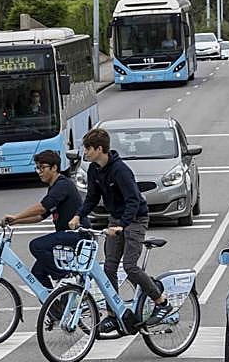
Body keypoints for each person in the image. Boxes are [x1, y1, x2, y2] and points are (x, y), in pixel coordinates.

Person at [71, 127, 172, 330]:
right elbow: (92, 197)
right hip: (116, 219)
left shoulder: (120, 170)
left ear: (99, 149)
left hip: (135, 219)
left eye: (88, 149)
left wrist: (122, 226)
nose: (85, 153)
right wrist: (78, 215)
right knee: (108, 267)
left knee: (130, 266)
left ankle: (162, 302)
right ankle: (113, 313)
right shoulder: (94, 169)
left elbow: (133, 200)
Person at [0, 150, 89, 290]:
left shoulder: (63, 185)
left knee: (36, 246)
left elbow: (42, 207)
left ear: (54, 168)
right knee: (37, 273)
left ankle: (66, 277)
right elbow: (41, 216)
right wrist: (15, 221)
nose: (39, 172)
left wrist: (17, 215)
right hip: (66, 235)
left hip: (78, 235)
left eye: (42, 167)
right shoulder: (54, 187)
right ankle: (56, 309)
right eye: (37, 168)